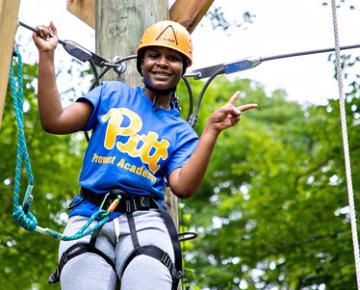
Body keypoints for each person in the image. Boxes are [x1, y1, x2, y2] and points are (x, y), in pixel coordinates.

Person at [32, 20, 258, 290]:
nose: (162, 63)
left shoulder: (180, 132)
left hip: (145, 220)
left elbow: (183, 187)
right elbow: (54, 121)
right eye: (154, 55)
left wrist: (211, 130)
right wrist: (47, 55)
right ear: (141, 63)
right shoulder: (111, 94)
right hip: (89, 214)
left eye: (173, 58)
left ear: (184, 68)